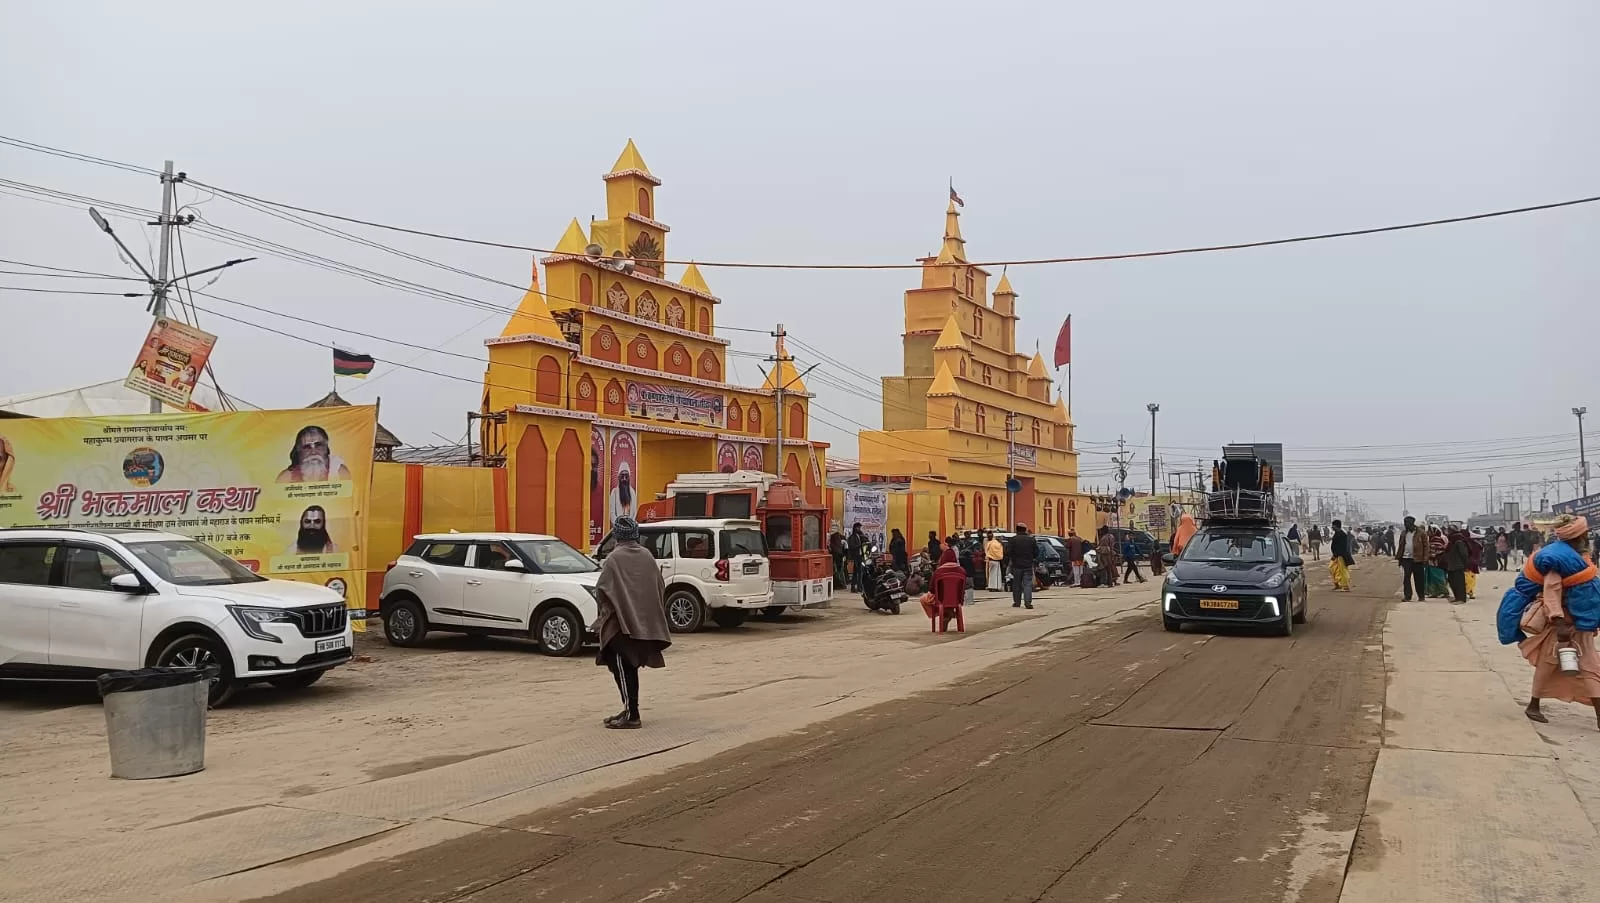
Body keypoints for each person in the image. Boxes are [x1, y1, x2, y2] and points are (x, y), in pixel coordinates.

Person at [1497, 514, 1600, 729]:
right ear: (1577, 536)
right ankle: (1534, 704)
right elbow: (1551, 591)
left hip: (1582, 624)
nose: (1588, 537)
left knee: (1588, 665)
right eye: (1585, 533)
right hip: (1562, 624)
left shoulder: (1578, 558)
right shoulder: (1559, 561)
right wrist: (1559, 621)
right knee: (1550, 663)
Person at [592, 516, 672, 730]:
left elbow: (602, 591)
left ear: (616, 535)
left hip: (621, 624)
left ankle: (632, 714)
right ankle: (629, 708)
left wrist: (604, 615)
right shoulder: (646, 555)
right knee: (622, 665)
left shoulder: (614, 558)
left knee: (623, 665)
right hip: (643, 621)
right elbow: (659, 586)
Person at [277, 425, 353, 483]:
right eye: (307, 447)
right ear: (299, 451)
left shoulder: (340, 472)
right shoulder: (286, 477)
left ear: (326, 448)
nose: (313, 452)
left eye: (318, 445)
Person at [1395, 516, 1429, 603]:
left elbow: (1426, 546)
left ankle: (1421, 596)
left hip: (1418, 559)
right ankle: (1407, 596)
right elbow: (1401, 546)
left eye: (1407, 523)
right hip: (1406, 559)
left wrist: (1425, 559)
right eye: (1405, 523)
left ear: (1412, 523)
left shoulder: (1421, 533)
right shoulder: (1403, 533)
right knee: (1406, 578)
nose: (1406, 525)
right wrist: (1399, 558)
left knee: (1419, 579)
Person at [1006, 523, 1037, 609]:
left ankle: (1017, 602)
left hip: (1016, 565)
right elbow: (1036, 553)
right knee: (1027, 584)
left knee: (1017, 584)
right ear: (1025, 530)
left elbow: (1008, 552)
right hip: (1028, 565)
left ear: (1017, 530)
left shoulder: (1013, 540)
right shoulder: (1031, 540)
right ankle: (1028, 602)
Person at [1439, 524, 1471, 604]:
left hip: (1458, 565)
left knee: (1459, 582)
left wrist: (1465, 564)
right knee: (1452, 581)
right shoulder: (1451, 540)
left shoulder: (1458, 540)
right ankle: (1457, 597)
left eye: (1449, 530)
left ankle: (1461, 599)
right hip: (1451, 565)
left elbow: (1464, 554)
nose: (1447, 532)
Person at [1328, 519, 1353, 591]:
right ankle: (1337, 584)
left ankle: (1345, 586)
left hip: (1341, 555)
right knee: (1332, 568)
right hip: (1336, 555)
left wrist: (1335, 555)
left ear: (1336, 526)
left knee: (1342, 570)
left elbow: (1342, 546)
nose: (1332, 527)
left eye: (1333, 526)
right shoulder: (1337, 533)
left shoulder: (1342, 534)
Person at [847, 523, 867, 593]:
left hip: (861, 556)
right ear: (855, 528)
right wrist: (859, 545)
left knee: (858, 572)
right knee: (858, 572)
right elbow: (851, 546)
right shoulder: (852, 537)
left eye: (860, 527)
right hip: (856, 557)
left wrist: (863, 536)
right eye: (858, 527)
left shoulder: (859, 535)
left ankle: (857, 587)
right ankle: (858, 587)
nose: (859, 529)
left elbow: (865, 541)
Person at [828, 524, 847, 589]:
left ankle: (840, 584)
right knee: (840, 571)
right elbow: (846, 548)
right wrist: (844, 555)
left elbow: (831, 549)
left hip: (836, 557)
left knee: (838, 571)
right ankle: (842, 584)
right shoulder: (841, 537)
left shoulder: (832, 538)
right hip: (840, 557)